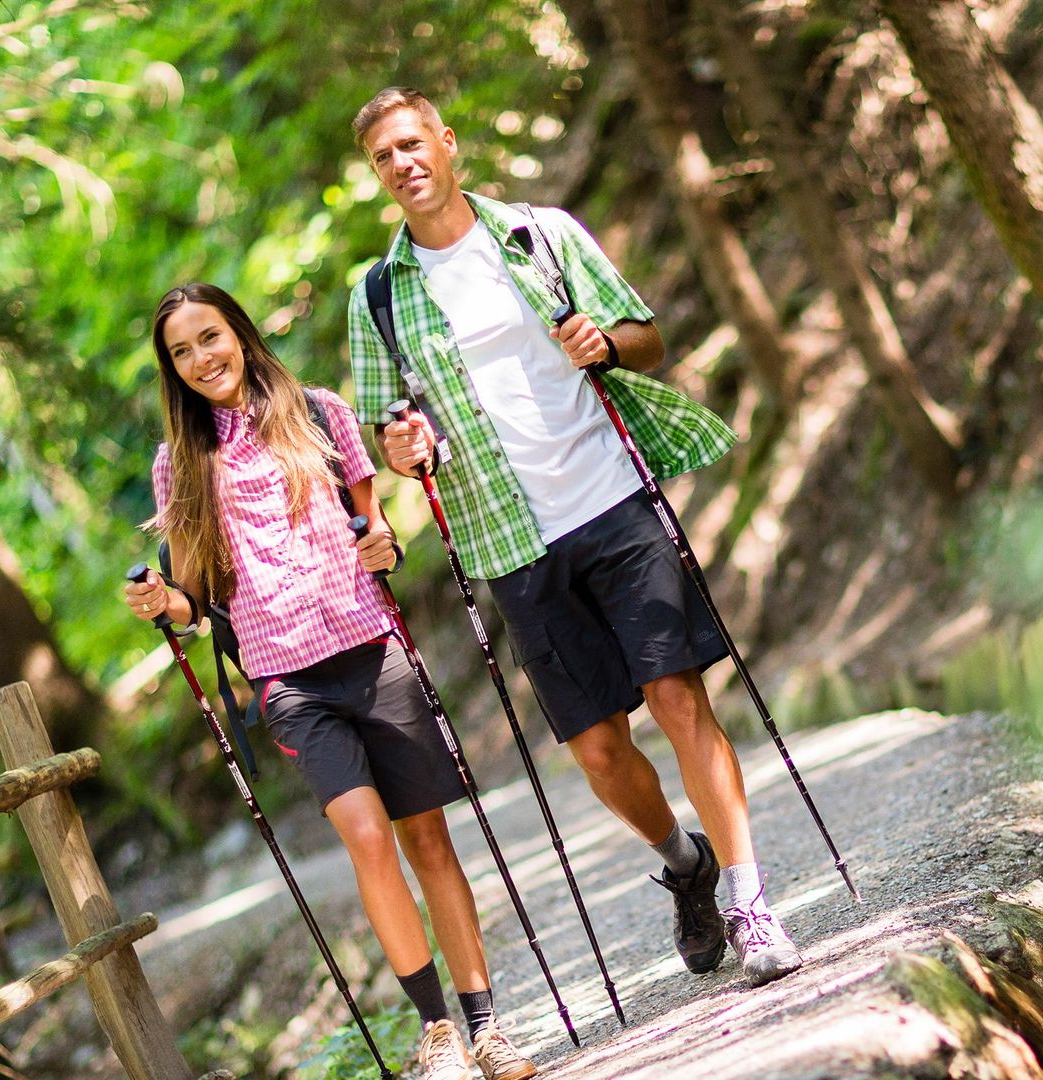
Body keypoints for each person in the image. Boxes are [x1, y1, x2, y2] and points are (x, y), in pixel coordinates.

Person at [344, 86, 805, 988]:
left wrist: (607, 343)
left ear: (447, 143)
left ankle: (752, 908)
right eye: (382, 159)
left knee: (679, 703)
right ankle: (686, 864)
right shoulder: (378, 297)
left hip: (612, 498)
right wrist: (401, 449)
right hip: (513, 541)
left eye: (412, 144)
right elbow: (385, 433)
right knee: (598, 749)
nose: (403, 164)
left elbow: (650, 339)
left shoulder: (539, 235)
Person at [122, 283, 538, 1080]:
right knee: (367, 837)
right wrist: (162, 602)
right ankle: (437, 1032)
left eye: (210, 337)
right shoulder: (178, 464)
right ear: (172, 370)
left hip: (372, 651)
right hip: (289, 682)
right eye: (182, 351)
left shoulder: (318, 412)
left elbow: (374, 528)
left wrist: (382, 544)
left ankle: (487, 1026)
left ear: (239, 334)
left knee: (428, 838)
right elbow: (198, 598)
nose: (202, 358)